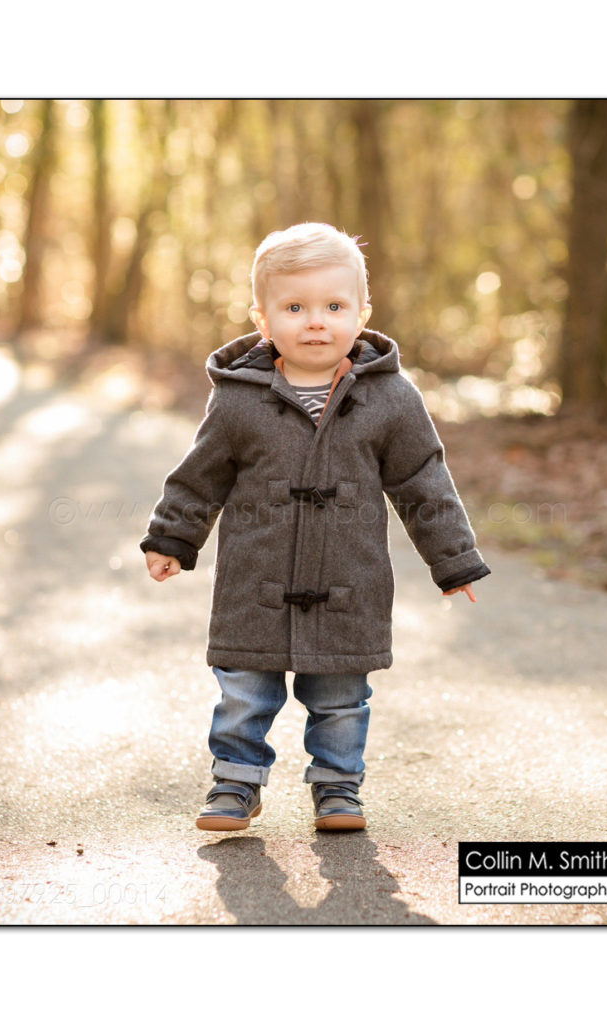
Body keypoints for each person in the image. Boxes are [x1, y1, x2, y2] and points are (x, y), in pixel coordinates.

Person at [141, 222, 490, 832]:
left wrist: (453, 558)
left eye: (333, 306)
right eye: (295, 308)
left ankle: (337, 786)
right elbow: (200, 475)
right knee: (244, 691)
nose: (315, 323)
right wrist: (173, 537)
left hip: (347, 581)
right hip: (256, 580)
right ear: (263, 319)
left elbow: (423, 482)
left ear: (361, 314)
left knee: (340, 697)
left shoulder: (391, 398)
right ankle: (235, 782)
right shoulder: (239, 398)